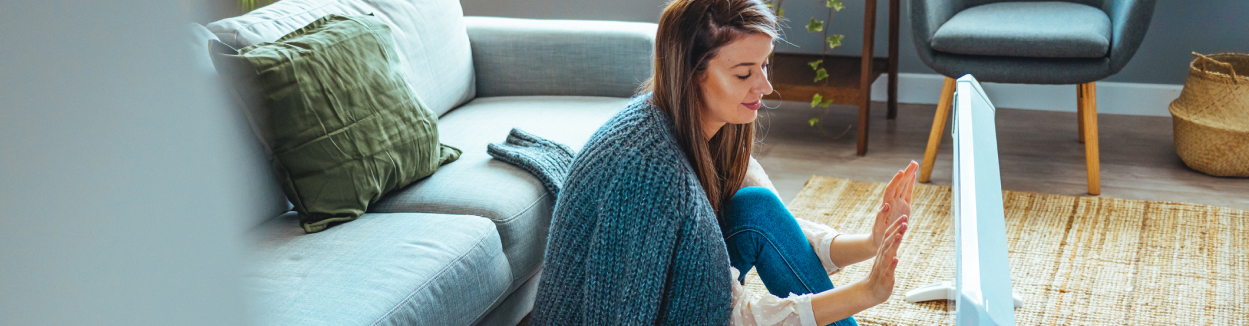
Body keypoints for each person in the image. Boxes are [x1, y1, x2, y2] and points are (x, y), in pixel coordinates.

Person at [529, 0, 918, 324]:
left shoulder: (712, 128)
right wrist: (867, 293)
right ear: (693, 75)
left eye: (765, 65)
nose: (764, 86)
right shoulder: (651, 172)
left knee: (756, 207)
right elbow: (737, 316)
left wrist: (871, 242)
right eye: (744, 73)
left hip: (671, 292)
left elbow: (777, 234)